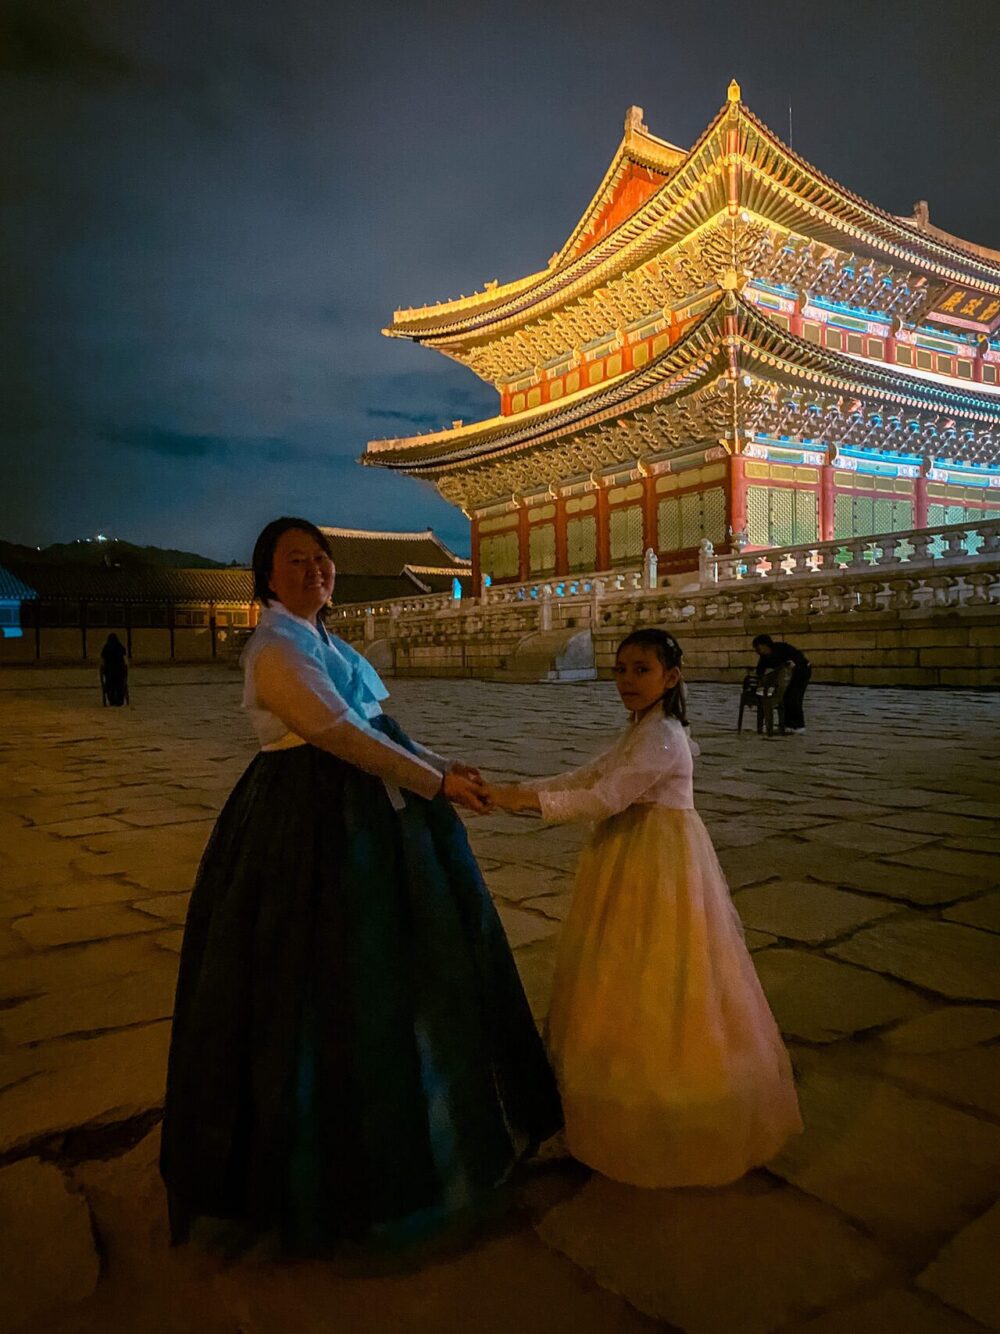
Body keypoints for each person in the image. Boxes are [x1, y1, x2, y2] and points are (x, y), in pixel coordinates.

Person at [160, 517, 561, 1255]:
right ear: (267, 577)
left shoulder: (328, 643)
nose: (314, 571)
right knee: (324, 981)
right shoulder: (274, 649)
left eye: (322, 560)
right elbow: (339, 734)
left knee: (399, 968)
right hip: (305, 829)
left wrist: (448, 765)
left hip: (371, 813)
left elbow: (383, 730)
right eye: (296, 561)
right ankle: (327, 1173)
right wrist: (435, 783)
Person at [486, 628, 801, 1189]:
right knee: (616, 974)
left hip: (657, 862)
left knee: (656, 974)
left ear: (670, 677)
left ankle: (658, 1111)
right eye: (621, 670)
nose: (628, 681)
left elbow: (603, 798)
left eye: (642, 671)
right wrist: (513, 789)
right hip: (629, 852)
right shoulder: (642, 729)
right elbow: (589, 775)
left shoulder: (663, 738)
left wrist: (523, 801)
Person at [752, 634, 811, 733]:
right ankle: (787, 725)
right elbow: (760, 671)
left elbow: (798, 661)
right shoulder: (764, 657)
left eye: (758, 647)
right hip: (786, 678)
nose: (757, 650)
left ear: (765, 645)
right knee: (784, 698)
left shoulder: (782, 649)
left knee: (795, 697)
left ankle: (799, 726)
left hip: (801, 672)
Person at [99, 633, 128, 706]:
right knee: (119, 684)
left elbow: (102, 659)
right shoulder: (119, 647)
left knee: (110, 684)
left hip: (109, 672)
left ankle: (112, 700)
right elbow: (124, 656)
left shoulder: (106, 647)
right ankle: (119, 700)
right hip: (119, 671)